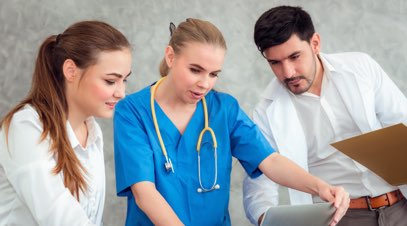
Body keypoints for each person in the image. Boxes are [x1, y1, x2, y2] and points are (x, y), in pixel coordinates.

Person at [114, 18, 348, 226]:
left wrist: (321, 187)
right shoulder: (132, 111)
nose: (205, 83)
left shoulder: (224, 109)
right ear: (171, 56)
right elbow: (144, 192)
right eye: (195, 70)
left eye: (214, 74)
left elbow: (270, 161)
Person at [243, 5, 407, 226]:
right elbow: (260, 184)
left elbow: (401, 122)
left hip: (401, 206)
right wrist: (267, 219)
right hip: (341, 218)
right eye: (275, 63)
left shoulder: (361, 68)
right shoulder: (266, 112)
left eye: (295, 57)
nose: (288, 72)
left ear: (315, 43)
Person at [0, 21, 132, 225]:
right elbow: (61, 217)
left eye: (124, 80)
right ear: (71, 70)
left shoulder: (92, 131)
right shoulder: (26, 127)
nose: (121, 93)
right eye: (110, 81)